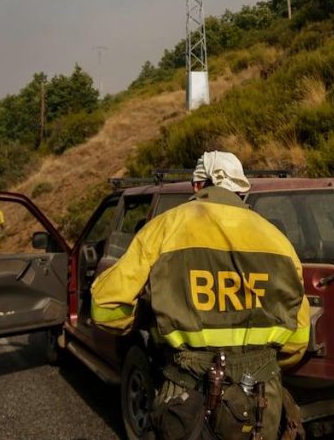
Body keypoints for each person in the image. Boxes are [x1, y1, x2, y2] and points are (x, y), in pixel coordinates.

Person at [91, 151, 311, 440]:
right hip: (261, 400)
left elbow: (104, 307)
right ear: (241, 191)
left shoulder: (164, 228)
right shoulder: (278, 241)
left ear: (197, 186)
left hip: (187, 395)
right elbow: (298, 339)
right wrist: (260, 361)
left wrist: (144, 319)